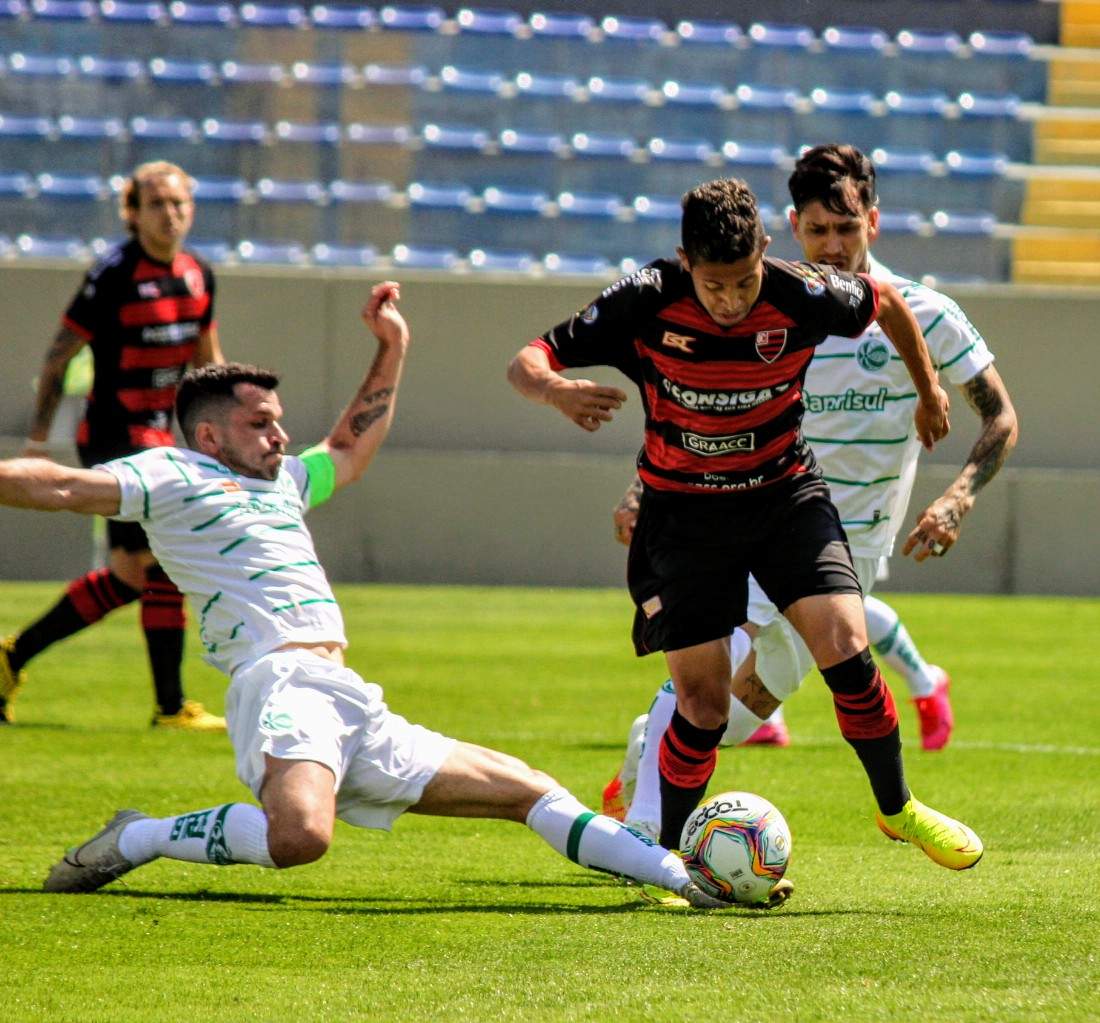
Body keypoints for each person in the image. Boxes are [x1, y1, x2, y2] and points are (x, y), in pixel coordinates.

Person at [0, 283, 769, 911]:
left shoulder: (285, 482)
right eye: (260, 422)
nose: (279, 434)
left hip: (347, 697)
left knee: (529, 789)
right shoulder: (170, 477)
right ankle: (140, 837)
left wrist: (392, 345)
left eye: (278, 420)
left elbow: (347, 446)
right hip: (282, 681)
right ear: (208, 437)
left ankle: (686, 877)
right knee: (301, 836)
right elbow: (66, 483)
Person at [508, 176, 984, 871]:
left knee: (848, 648)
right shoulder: (646, 297)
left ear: (765, 248)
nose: (730, 301)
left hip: (783, 496)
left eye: (743, 281)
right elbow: (527, 359)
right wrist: (555, 389)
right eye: (713, 285)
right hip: (683, 515)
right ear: (683, 260)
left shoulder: (801, 292)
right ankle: (668, 861)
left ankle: (898, 808)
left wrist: (929, 385)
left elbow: (884, 301)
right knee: (702, 705)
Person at [601, 146, 1019, 831]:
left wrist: (958, 497)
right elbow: (703, 414)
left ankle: (634, 781)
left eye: (846, 230)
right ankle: (647, 834)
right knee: (700, 687)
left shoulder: (923, 314)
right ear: (794, 226)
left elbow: (1001, 415)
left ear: (873, 223)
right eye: (817, 231)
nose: (832, 246)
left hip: (845, 557)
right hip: (758, 522)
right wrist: (644, 491)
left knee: (738, 716)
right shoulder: (769, 308)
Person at [0, 161, 226, 729]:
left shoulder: (199, 275)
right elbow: (59, 356)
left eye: (179, 203)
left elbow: (207, 361)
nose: (171, 214)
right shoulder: (114, 275)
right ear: (133, 213)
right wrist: (36, 440)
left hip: (160, 440)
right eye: (157, 204)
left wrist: (228, 430)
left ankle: (11, 656)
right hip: (115, 439)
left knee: (132, 576)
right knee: (158, 565)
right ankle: (171, 708)